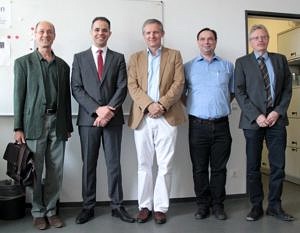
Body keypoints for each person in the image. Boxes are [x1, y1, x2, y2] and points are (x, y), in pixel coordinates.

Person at [71, 16, 134, 224]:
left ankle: (117, 206)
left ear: (110, 33)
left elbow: (122, 87)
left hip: (113, 121)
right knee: (88, 164)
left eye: (104, 30)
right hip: (88, 121)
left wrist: (108, 112)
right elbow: (77, 89)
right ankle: (88, 207)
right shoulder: (79, 58)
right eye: (97, 29)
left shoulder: (118, 58)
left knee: (113, 164)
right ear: (91, 32)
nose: (101, 33)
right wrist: (97, 110)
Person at [14, 21, 73, 230]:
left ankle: (51, 210)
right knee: (36, 171)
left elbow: (66, 98)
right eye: (41, 31)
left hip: (58, 123)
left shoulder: (63, 66)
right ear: (35, 35)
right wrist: (17, 127)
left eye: (49, 32)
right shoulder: (23, 63)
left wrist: (68, 126)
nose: (45, 35)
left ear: (54, 36)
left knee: (56, 171)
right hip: (33, 125)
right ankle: (38, 212)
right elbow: (18, 96)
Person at [127, 18, 186, 224]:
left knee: (165, 165)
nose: (152, 36)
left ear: (162, 34)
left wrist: (161, 105)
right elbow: (132, 86)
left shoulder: (174, 55)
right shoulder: (135, 58)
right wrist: (149, 105)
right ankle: (144, 206)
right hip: (142, 117)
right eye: (148, 33)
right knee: (143, 164)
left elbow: (179, 84)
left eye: (156, 32)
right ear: (143, 35)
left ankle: (160, 207)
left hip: (166, 116)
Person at [234, 24, 294, 221]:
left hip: (276, 120)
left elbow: (287, 89)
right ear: (251, 42)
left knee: (278, 166)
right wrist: (257, 115)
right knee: (253, 166)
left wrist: (278, 111)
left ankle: (275, 206)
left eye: (263, 36)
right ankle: (256, 206)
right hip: (253, 122)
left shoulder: (280, 59)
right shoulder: (242, 62)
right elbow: (240, 92)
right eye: (256, 37)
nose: (260, 40)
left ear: (268, 39)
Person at [184, 28, 234, 221]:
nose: (206, 42)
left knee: (220, 169)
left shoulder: (228, 66)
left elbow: (232, 92)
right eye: (203, 39)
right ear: (198, 42)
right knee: (199, 168)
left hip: (222, 125)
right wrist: (195, 108)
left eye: (210, 39)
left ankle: (218, 205)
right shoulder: (188, 67)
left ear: (215, 41)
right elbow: (181, 94)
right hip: (197, 126)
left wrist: (218, 106)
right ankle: (203, 205)